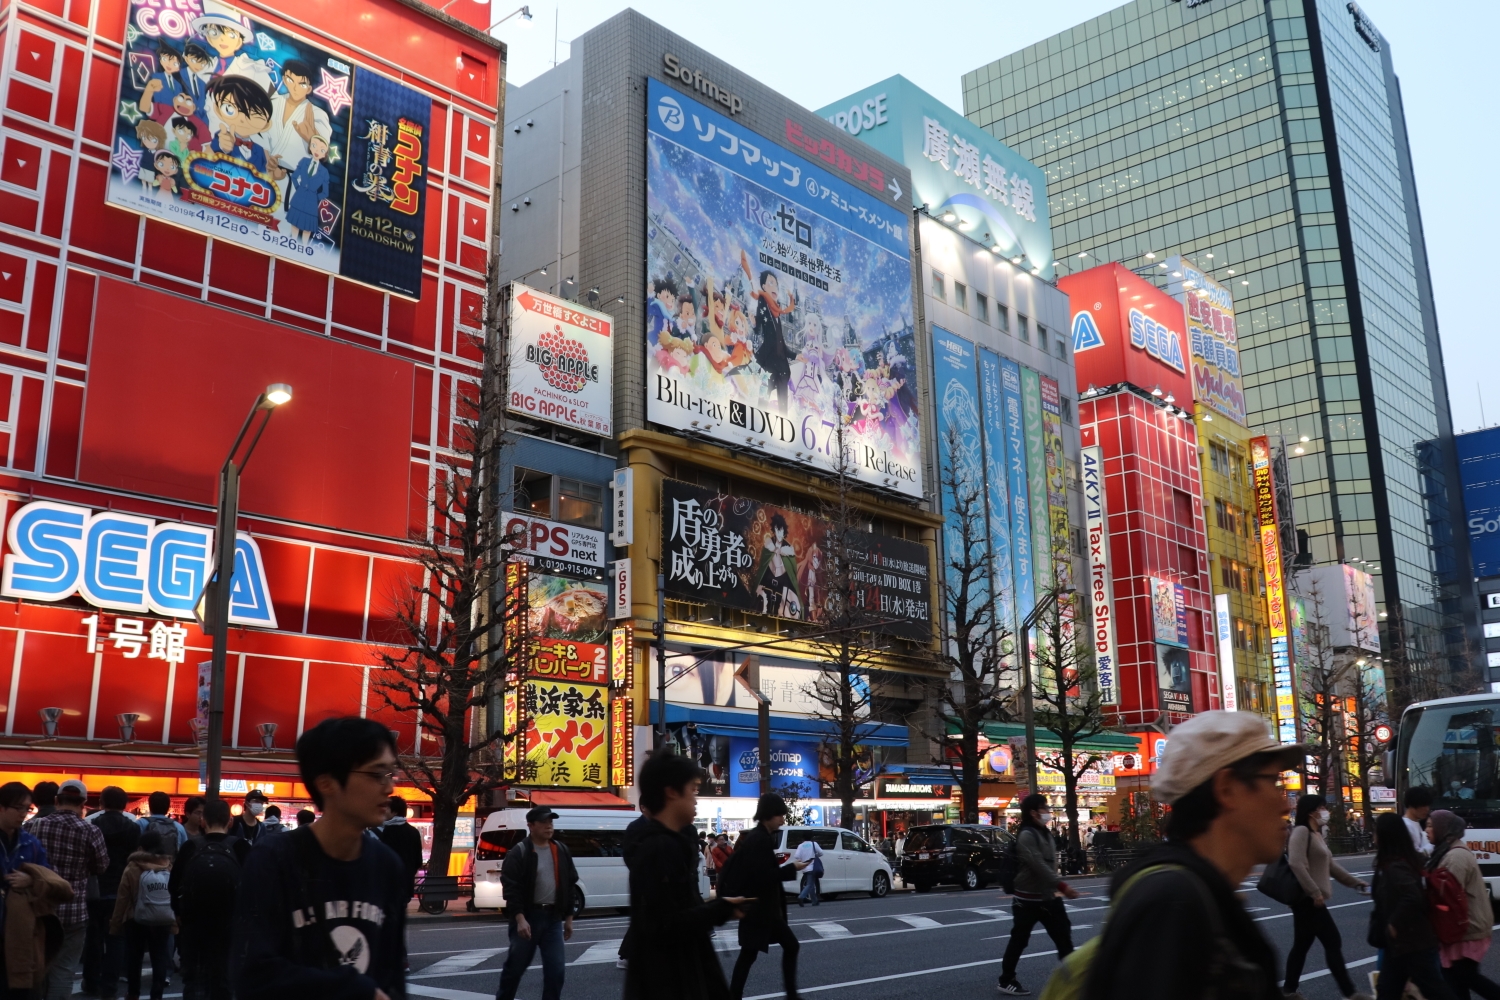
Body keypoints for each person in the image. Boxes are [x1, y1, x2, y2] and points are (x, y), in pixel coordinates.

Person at [1077, 711, 1301, 1000]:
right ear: (1227, 788)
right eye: (1273, 782)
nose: (1285, 804)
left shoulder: (1200, 891)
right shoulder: (1173, 901)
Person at [230, 717, 407, 1000]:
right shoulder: (274, 860)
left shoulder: (386, 866)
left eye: (391, 774)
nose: (389, 788)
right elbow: (253, 974)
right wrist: (355, 990)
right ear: (327, 783)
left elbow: (392, 975)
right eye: (376, 775)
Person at [622, 752, 743, 999]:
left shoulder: (662, 842)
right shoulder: (661, 848)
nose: (696, 799)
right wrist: (720, 909)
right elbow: (666, 924)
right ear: (671, 792)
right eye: (693, 789)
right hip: (671, 981)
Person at [1282, 794, 1371, 1000]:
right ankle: (1350, 993)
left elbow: (1330, 866)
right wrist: (1314, 892)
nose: (1325, 811)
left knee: (1301, 946)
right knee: (1332, 942)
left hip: (1312, 899)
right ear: (1312, 810)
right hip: (1308, 900)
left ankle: (1288, 991)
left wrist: (1355, 881)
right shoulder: (1302, 831)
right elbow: (1296, 863)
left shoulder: (1316, 834)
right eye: (1322, 807)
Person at [723, 794, 809, 1000]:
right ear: (767, 815)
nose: (782, 818)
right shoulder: (759, 840)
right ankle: (790, 994)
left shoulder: (758, 837)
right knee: (784, 947)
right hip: (761, 910)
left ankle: (736, 995)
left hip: (760, 909)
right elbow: (763, 877)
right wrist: (792, 868)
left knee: (750, 954)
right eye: (779, 814)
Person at [30, 778, 107, 1000]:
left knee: (41, 963)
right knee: (64, 969)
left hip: (42, 907)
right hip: (75, 909)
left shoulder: (38, 825)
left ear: (56, 800)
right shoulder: (90, 831)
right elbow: (101, 866)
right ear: (83, 803)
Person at [998, 793, 1078, 994]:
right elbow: (1038, 865)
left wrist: (1056, 886)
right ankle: (1006, 979)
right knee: (1019, 939)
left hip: (1047, 897)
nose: (1048, 812)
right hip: (1027, 900)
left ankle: (1075, 980)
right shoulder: (1027, 835)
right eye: (1044, 808)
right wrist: (1062, 886)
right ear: (1033, 813)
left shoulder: (1044, 832)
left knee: (1063, 936)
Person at [1371, 811, 1456, 1000]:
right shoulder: (1405, 860)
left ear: (1385, 836)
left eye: (1376, 832)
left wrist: (1394, 923)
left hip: (1411, 942)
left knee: (1434, 990)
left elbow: (1412, 896)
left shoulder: (1395, 866)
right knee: (1388, 990)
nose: (1374, 837)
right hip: (1405, 943)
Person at [495, 807, 577, 1000]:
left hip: (553, 919)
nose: (549, 826)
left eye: (551, 822)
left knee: (556, 971)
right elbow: (511, 888)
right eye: (543, 822)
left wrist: (569, 918)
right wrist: (520, 918)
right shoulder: (520, 852)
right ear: (530, 826)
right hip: (528, 917)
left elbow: (570, 883)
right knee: (515, 968)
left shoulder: (561, 850)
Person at [172, 796, 248, 1000]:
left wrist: (178, 914)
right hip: (230, 925)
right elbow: (254, 887)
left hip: (194, 925)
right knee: (225, 978)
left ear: (203, 821)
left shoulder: (190, 847)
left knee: (194, 979)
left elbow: (174, 885)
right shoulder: (241, 847)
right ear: (230, 821)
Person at [1427, 810, 1500, 1000]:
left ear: (1443, 829)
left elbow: (1446, 894)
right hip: (1465, 925)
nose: (1426, 830)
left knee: (1464, 976)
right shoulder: (1447, 851)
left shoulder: (1455, 857)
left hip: (1468, 927)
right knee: (1457, 978)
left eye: (1430, 826)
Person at [84, 785, 141, 1000]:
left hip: (95, 888)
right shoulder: (133, 828)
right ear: (125, 805)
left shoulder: (93, 825)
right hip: (121, 889)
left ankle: (91, 981)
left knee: (93, 937)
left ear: (101, 803)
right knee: (116, 939)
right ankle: (110, 987)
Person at [0, 780, 53, 998]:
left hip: (21, 927)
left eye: (27, 808)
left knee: (21, 988)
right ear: (1, 807)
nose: (23, 814)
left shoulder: (30, 842)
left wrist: (30, 880)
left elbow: (47, 874)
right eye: (18, 808)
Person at [110, 830, 176, 1000]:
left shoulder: (132, 867)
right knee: (159, 957)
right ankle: (157, 994)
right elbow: (174, 894)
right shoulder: (167, 865)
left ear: (140, 847)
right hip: (162, 918)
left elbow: (122, 898)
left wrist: (116, 924)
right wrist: (175, 923)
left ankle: (133, 993)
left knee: (135, 957)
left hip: (135, 918)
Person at [376, 796, 423, 903]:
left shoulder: (384, 832)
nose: (384, 810)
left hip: (387, 885)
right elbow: (418, 861)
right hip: (406, 884)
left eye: (387, 807)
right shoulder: (413, 832)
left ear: (395, 812)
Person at [137, 791, 187, 857]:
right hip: (169, 865)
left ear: (149, 806)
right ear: (168, 807)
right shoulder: (178, 827)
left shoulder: (141, 823)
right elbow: (185, 851)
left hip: (146, 864)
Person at [793, 834, 824, 907]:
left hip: (804, 867)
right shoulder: (814, 844)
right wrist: (815, 855)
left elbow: (797, 856)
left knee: (811, 884)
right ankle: (801, 896)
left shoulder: (800, 846)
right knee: (809, 884)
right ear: (811, 838)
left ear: (803, 838)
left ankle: (814, 901)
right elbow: (821, 853)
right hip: (812, 867)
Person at [1404, 785, 1435, 856]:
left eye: (1428, 805)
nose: (1427, 809)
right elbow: (1414, 854)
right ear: (1411, 805)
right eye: (1423, 805)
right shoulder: (1406, 826)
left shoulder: (1416, 822)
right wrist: (1434, 845)